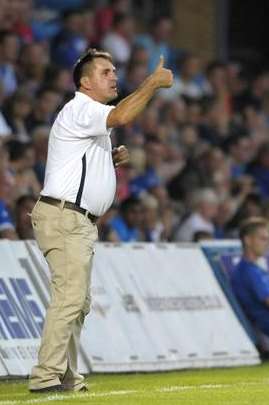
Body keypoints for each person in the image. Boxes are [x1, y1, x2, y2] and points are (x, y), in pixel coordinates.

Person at [29, 48, 173, 393]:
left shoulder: (87, 116)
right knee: (70, 298)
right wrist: (151, 83)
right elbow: (123, 117)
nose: (114, 76)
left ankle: (64, 375)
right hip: (65, 216)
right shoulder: (81, 107)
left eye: (114, 71)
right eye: (106, 72)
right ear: (85, 82)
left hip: (76, 220)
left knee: (78, 302)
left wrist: (106, 160)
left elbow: (75, 164)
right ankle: (45, 375)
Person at [231, 217, 269, 340]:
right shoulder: (248, 271)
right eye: (263, 239)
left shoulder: (256, 269)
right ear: (248, 240)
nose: (267, 244)